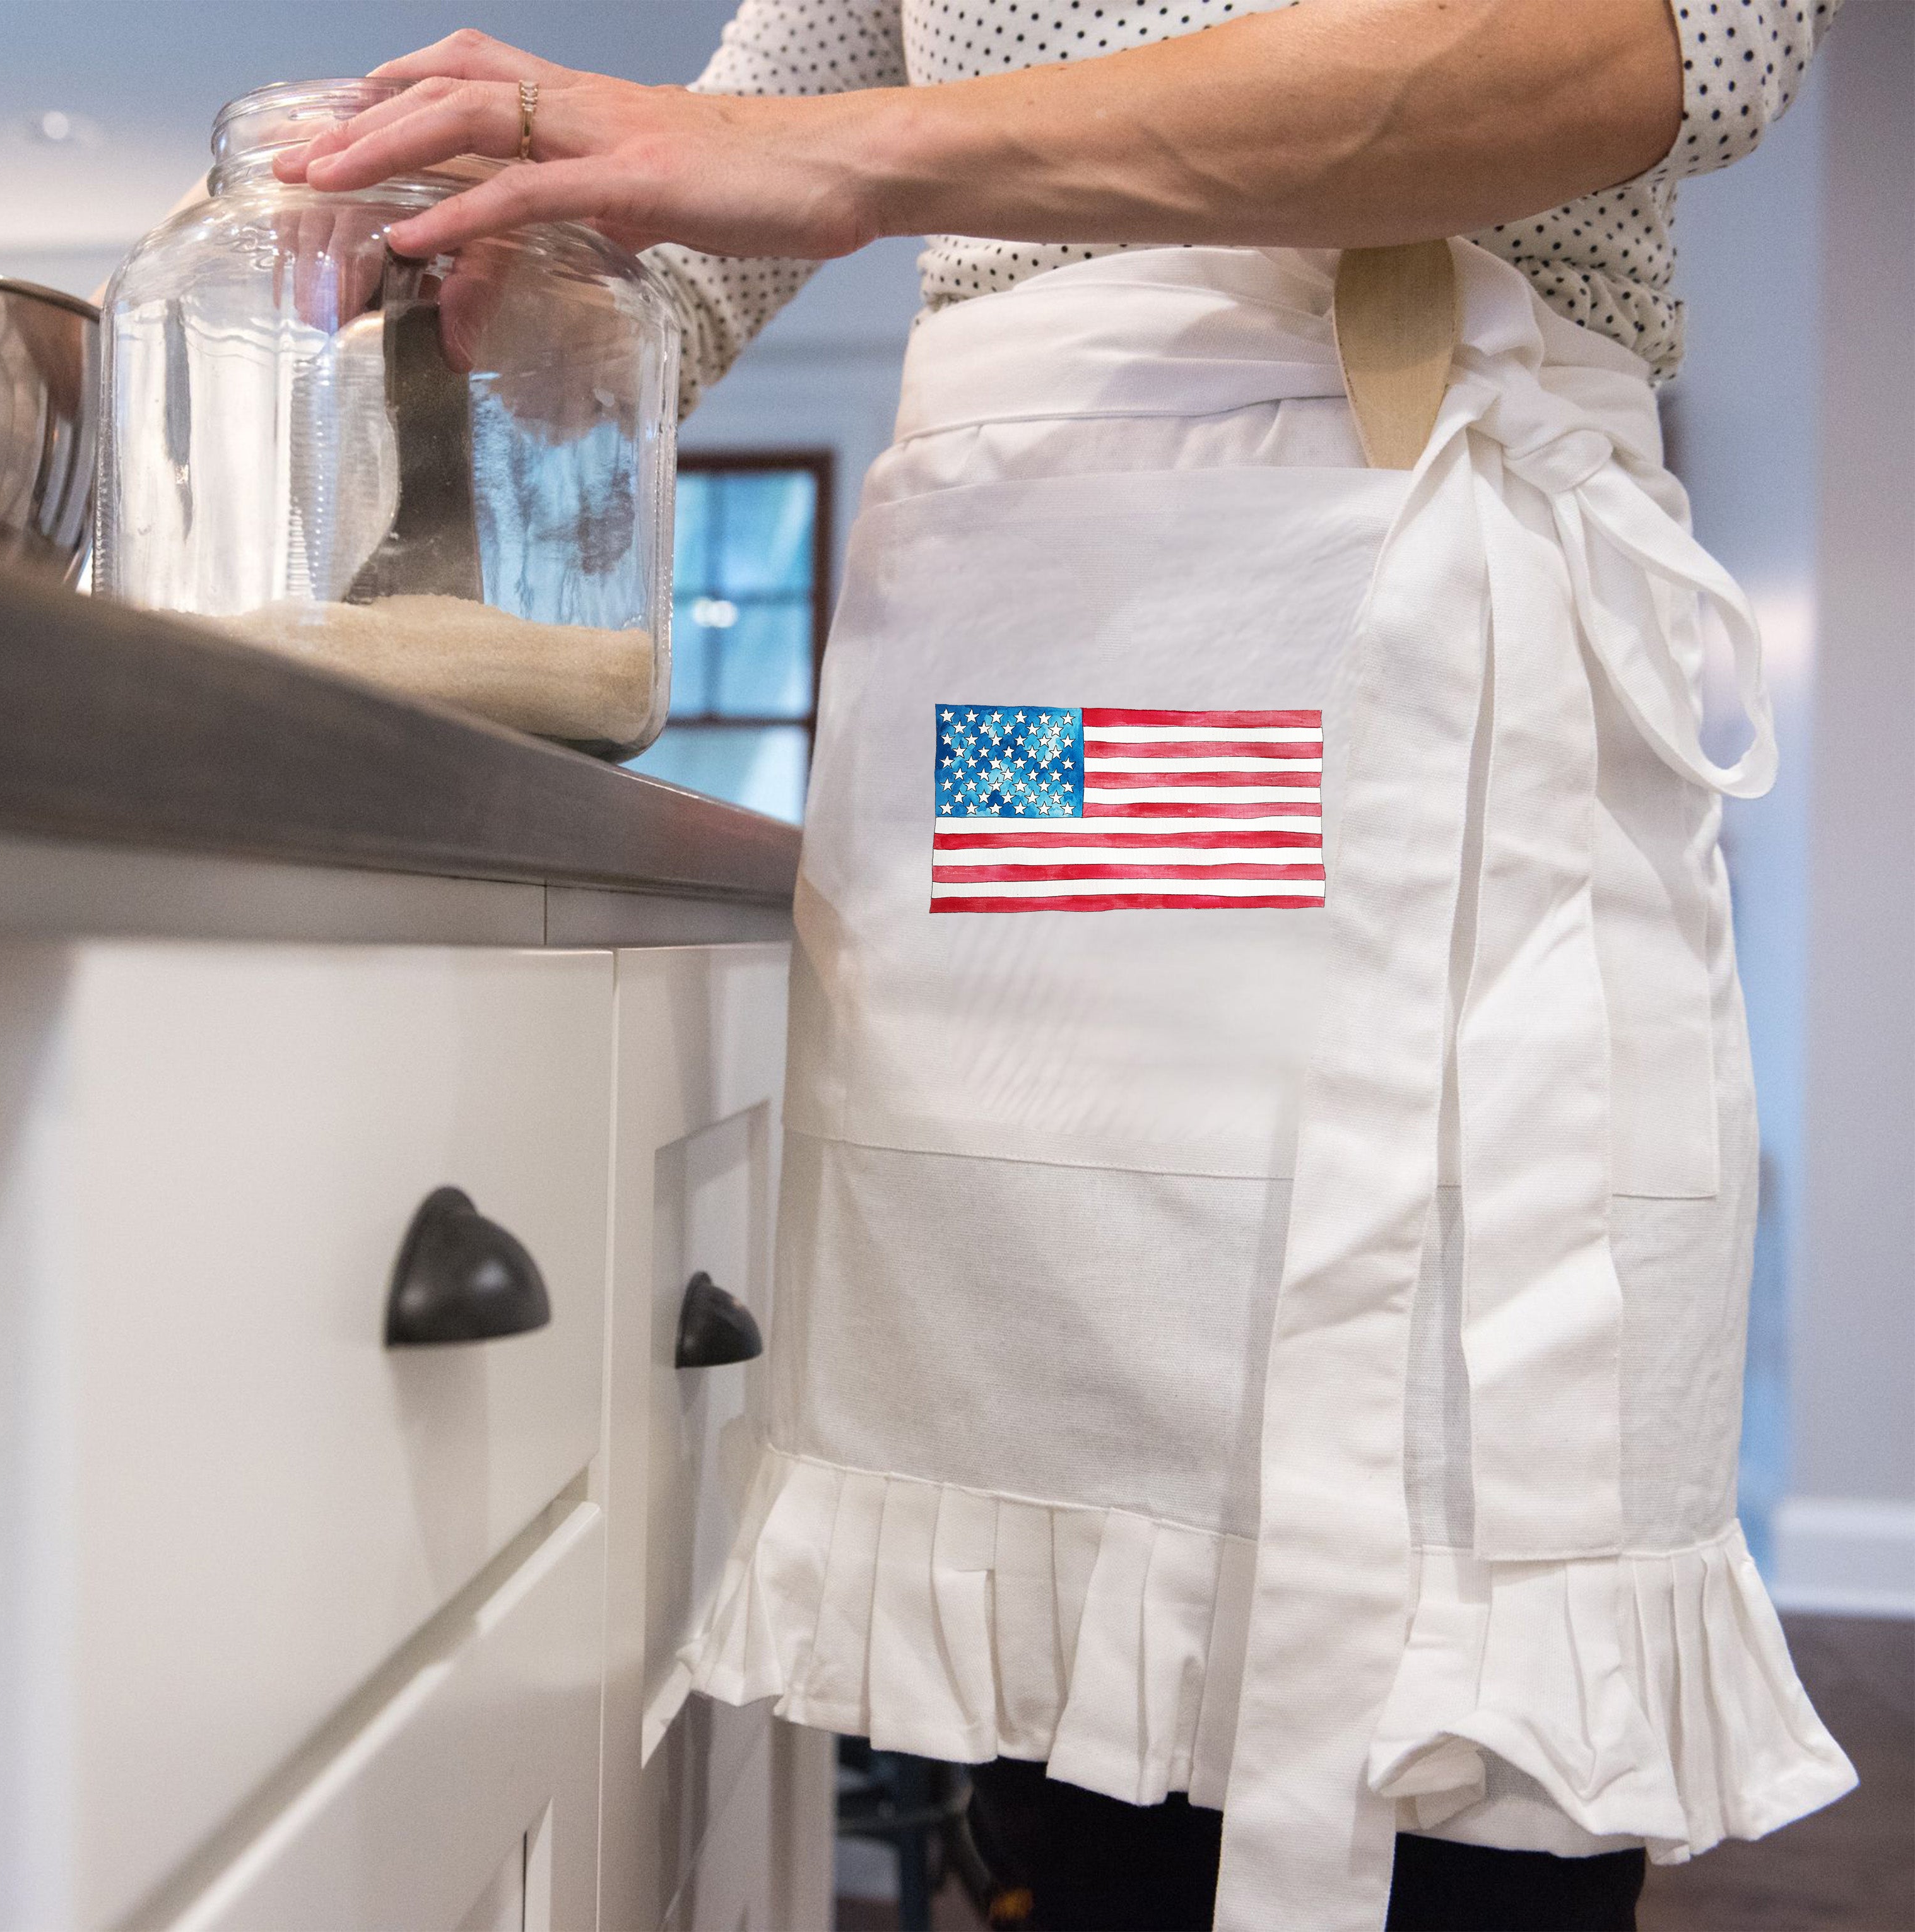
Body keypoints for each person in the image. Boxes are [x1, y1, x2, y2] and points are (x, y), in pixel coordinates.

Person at [281, 6, 1858, 1928]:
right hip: (1035, 720)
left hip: (1440, 647)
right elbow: (701, 241)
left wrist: (859, 160)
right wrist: (529, 265)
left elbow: (1675, 49)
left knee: (1473, 1681)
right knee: (1056, 1678)